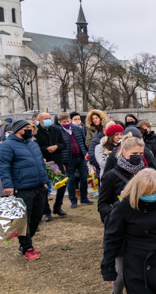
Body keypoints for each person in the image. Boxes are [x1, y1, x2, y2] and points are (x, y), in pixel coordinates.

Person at [99, 135, 149, 294]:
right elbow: (102, 205)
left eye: (141, 153)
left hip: (143, 228)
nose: (138, 156)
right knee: (121, 274)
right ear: (124, 152)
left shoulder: (146, 173)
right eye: (134, 153)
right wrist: (118, 211)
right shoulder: (111, 176)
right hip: (122, 231)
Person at [0, 120, 50, 261]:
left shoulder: (33, 144)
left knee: (36, 216)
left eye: (30, 127)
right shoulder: (7, 146)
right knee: (24, 220)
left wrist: (45, 181)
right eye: (27, 128)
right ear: (18, 130)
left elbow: (41, 164)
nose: (30, 130)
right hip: (22, 188)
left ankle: (25, 245)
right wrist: (8, 186)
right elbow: (3, 167)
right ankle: (27, 247)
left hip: (38, 186)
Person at [34, 112, 67, 221]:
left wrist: (56, 146)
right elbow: (35, 147)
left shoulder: (56, 130)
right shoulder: (36, 132)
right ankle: (46, 211)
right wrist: (47, 148)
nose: (48, 120)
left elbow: (63, 144)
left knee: (62, 184)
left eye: (49, 118)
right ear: (39, 120)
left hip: (57, 160)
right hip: (43, 161)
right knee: (44, 187)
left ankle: (58, 206)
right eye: (45, 118)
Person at [58, 112, 92, 208]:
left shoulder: (77, 129)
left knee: (84, 178)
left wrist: (86, 153)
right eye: (64, 122)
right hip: (68, 159)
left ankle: (84, 197)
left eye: (68, 121)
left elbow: (83, 141)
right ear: (60, 122)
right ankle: (73, 200)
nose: (67, 123)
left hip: (81, 157)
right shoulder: (59, 132)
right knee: (71, 180)